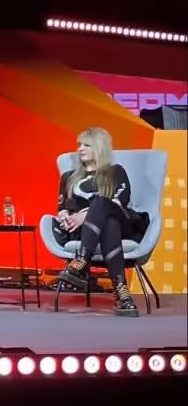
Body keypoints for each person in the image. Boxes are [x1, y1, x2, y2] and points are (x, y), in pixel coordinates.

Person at [54, 127, 149, 317]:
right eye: (79, 144)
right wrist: (64, 215)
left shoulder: (115, 172)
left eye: (86, 145)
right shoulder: (69, 178)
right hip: (87, 230)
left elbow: (119, 201)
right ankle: (122, 294)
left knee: (102, 203)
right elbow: (62, 206)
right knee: (109, 225)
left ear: (99, 148)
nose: (80, 148)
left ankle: (81, 261)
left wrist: (85, 215)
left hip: (123, 224)